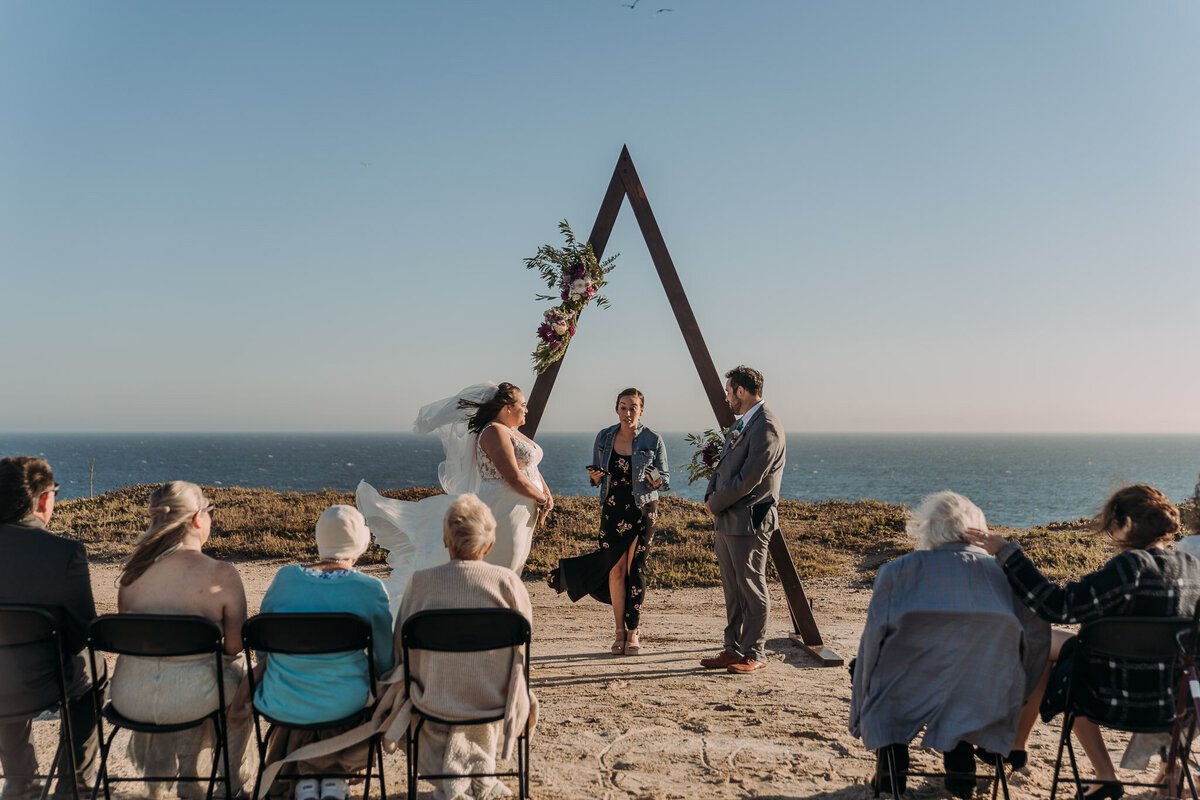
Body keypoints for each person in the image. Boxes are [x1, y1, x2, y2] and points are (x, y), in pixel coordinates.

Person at [967, 484, 1200, 800]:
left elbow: (1058, 606)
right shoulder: (1191, 567)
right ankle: (1016, 747)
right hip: (1175, 701)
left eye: (1110, 526)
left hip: (1109, 696)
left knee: (1045, 646)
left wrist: (1008, 554)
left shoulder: (1130, 566)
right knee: (1048, 642)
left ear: (1127, 524)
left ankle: (1101, 773)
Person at [849, 492, 1050, 798]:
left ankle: (891, 762)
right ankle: (960, 767)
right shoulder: (1006, 577)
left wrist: (862, 712)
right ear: (979, 530)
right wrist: (1020, 689)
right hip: (984, 691)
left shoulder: (896, 572)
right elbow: (1038, 636)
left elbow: (871, 645)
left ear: (928, 528)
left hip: (906, 690)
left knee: (874, 665)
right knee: (965, 676)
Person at [110, 481, 252, 799]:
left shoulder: (131, 576)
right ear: (199, 518)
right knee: (239, 673)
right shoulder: (222, 574)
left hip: (131, 698)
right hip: (191, 697)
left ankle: (188, 775)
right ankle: (226, 781)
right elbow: (234, 646)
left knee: (187, 670)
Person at [358, 382, 551, 612]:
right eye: (523, 404)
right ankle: (493, 618)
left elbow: (530, 467)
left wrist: (546, 492)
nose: (526, 410)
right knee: (503, 567)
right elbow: (513, 477)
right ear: (507, 408)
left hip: (522, 510)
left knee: (515, 566)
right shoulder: (493, 432)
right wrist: (542, 498)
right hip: (505, 509)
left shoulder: (512, 432)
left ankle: (503, 619)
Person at [396, 494, 538, 800]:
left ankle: (450, 777)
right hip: (495, 699)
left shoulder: (420, 582)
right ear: (489, 545)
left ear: (447, 540)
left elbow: (400, 646)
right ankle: (480, 775)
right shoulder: (508, 582)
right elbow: (523, 648)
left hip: (432, 699)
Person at [255, 505, 394, 800]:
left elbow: (262, 649)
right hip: (348, 704)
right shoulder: (370, 589)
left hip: (284, 700)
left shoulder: (285, 579)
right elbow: (385, 660)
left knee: (308, 695)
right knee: (357, 696)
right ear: (360, 544)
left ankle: (307, 777)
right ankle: (334, 777)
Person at [0, 456, 101, 799]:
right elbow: (81, 634)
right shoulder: (66, 553)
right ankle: (74, 783)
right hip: (45, 682)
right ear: (44, 499)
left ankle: (20, 781)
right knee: (93, 667)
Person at [547, 387, 670, 656]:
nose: (628, 412)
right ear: (617, 409)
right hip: (613, 510)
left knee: (635, 568)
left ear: (641, 410)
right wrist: (595, 477)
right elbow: (596, 478)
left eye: (633, 407)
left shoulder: (653, 439)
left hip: (642, 509)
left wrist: (656, 479)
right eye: (623, 407)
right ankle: (618, 632)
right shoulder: (604, 437)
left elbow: (666, 480)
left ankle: (633, 631)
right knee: (614, 570)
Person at [699, 366, 786, 675]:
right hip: (728, 518)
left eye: (728, 391)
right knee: (733, 588)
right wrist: (712, 497)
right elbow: (726, 467)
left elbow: (751, 477)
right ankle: (733, 648)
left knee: (751, 585)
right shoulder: (745, 424)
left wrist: (716, 502)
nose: (726, 397)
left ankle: (754, 651)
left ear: (741, 391)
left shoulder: (766, 426)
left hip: (750, 519)